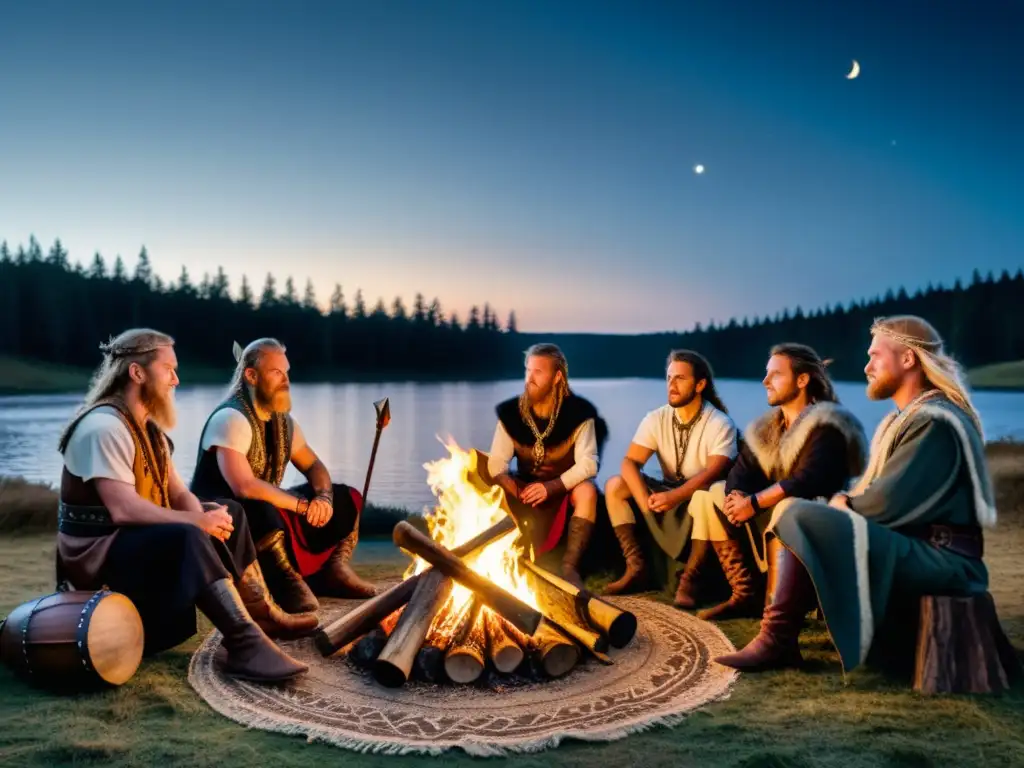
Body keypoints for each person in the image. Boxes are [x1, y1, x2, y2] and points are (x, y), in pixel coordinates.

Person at [715, 316, 996, 672]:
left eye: (875, 356)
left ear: (908, 359)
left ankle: (776, 638)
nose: (866, 367)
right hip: (916, 546)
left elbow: (888, 500)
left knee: (795, 511)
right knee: (799, 511)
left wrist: (845, 502)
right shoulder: (903, 418)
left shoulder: (935, 421)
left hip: (942, 561)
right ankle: (778, 636)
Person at [55, 329, 314, 683]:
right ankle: (244, 645)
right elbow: (123, 510)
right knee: (187, 534)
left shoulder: (147, 428)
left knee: (230, 512)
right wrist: (195, 523)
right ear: (137, 372)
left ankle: (261, 616)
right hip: (97, 556)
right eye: (169, 369)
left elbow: (177, 492)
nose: (177, 379)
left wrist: (206, 515)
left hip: (130, 541)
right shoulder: (104, 426)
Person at [678, 343, 867, 619]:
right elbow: (740, 471)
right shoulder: (769, 428)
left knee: (785, 505)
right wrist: (737, 497)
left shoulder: (828, 424)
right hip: (775, 512)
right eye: (767, 374)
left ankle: (782, 609)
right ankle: (745, 594)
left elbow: (807, 481)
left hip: (817, 521)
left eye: (775, 374)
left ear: (802, 380)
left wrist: (754, 503)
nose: (765, 381)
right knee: (711, 495)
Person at [190, 338, 377, 616]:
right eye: (276, 372)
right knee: (258, 508)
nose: (286, 380)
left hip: (268, 515)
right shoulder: (230, 418)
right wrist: (302, 506)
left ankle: (332, 572)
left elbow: (314, 466)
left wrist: (323, 498)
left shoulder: (283, 422)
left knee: (346, 496)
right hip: (227, 523)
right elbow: (243, 486)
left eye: (286, 372)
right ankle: (284, 582)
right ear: (251, 376)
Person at [602, 350, 738, 595]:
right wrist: (644, 500)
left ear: (700, 385)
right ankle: (636, 568)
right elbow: (630, 462)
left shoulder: (719, 423)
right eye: (669, 378)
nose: (672, 385)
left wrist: (674, 498)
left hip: (703, 499)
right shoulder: (656, 418)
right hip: (668, 492)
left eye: (680, 379)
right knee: (615, 485)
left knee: (702, 496)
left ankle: (690, 579)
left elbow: (713, 472)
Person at [486, 343, 607, 588]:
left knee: (587, 491)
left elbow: (589, 464)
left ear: (557, 376)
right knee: (482, 478)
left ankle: (570, 567)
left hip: (563, 488)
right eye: (527, 371)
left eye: (538, 372)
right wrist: (512, 487)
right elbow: (496, 463)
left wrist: (552, 487)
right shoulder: (512, 413)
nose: (529, 378)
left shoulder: (580, 413)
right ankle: (504, 558)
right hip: (524, 487)